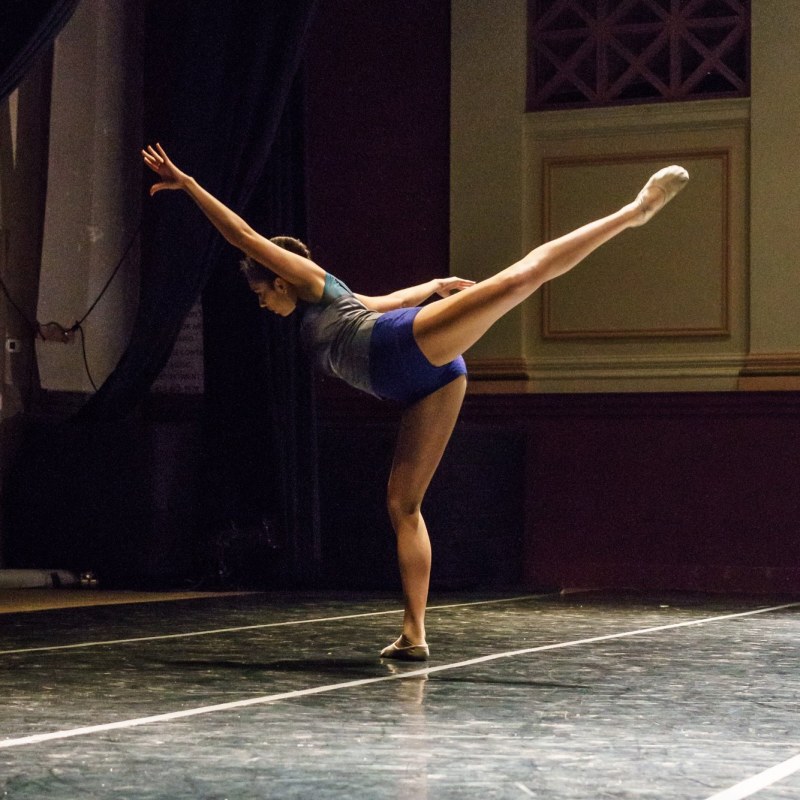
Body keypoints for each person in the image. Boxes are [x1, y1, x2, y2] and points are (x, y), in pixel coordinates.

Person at [142, 143, 689, 661]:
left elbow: (240, 234)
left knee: (520, 279)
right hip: (422, 382)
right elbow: (381, 300)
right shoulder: (331, 300)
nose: (261, 303)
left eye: (261, 292)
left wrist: (189, 185)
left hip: (402, 347)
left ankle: (631, 212)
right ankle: (413, 633)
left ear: (279, 279)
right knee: (403, 505)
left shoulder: (305, 279)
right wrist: (433, 283)